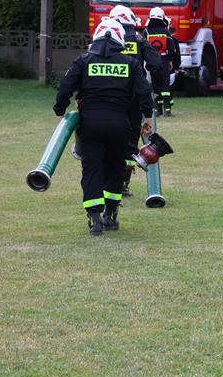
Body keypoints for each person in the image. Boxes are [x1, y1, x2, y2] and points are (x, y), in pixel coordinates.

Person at [54, 18, 153, 235]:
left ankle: (94, 218)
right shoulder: (130, 63)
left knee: (92, 168)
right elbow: (144, 91)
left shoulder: (83, 60)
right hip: (120, 124)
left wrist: (60, 110)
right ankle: (111, 214)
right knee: (116, 167)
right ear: (120, 39)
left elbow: (65, 87)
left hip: (90, 124)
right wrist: (147, 117)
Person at [109, 5, 167, 197]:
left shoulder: (104, 39)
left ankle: (106, 179)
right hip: (133, 99)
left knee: (107, 138)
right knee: (130, 143)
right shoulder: (140, 40)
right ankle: (123, 184)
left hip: (108, 98)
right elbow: (156, 64)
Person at [144, 7, 181, 117]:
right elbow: (171, 48)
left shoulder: (146, 32)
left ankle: (157, 110)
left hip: (152, 62)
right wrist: (170, 61)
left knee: (156, 86)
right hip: (164, 61)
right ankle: (167, 110)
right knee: (165, 85)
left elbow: (144, 47)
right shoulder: (166, 32)